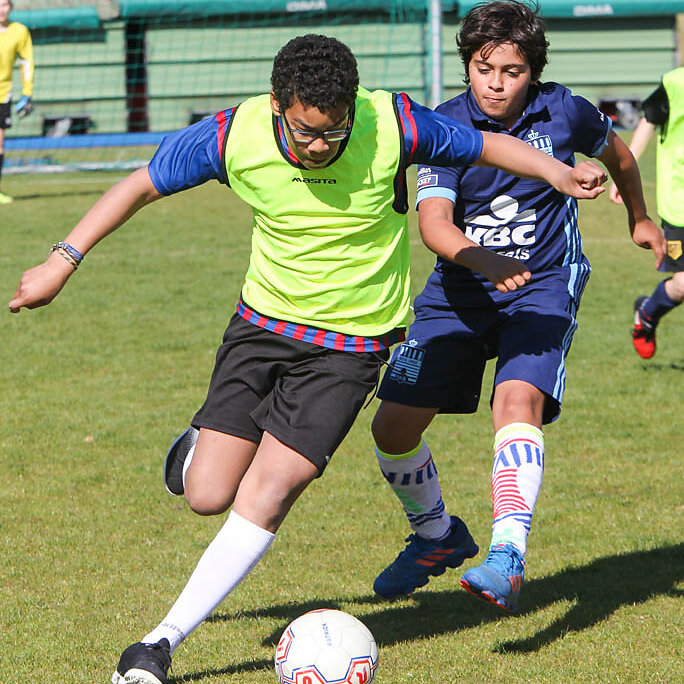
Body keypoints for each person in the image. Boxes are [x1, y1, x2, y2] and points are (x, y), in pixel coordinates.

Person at [9, 34, 607, 684]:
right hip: (260, 329)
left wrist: (557, 173)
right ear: (277, 105)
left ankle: (158, 643)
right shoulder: (231, 134)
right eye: (304, 132)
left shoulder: (391, 121)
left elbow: (485, 145)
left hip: (350, 349)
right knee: (207, 495)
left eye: (334, 131)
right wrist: (62, 261)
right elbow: (140, 185)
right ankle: (202, 445)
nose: (320, 146)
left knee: (269, 492)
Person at [370, 1, 665, 613]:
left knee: (515, 401)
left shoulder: (566, 110)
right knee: (391, 428)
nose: (496, 84)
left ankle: (507, 555)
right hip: (460, 287)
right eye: (484, 69)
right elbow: (434, 224)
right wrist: (485, 263)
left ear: (534, 70)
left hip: (545, 283)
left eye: (512, 71)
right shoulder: (443, 126)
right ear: (467, 66)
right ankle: (436, 535)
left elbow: (620, 156)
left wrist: (638, 217)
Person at [609, 69, 684, 358]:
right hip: (679, 203)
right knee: (682, 284)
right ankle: (648, 313)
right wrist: (624, 171)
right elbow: (648, 120)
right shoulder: (676, 84)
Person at [0, 0, 34, 204]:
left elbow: (27, 61)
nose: (1, 9)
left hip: (2, 95)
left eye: (4, 4)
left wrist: (27, 93)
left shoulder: (19, 31)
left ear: (10, 7)